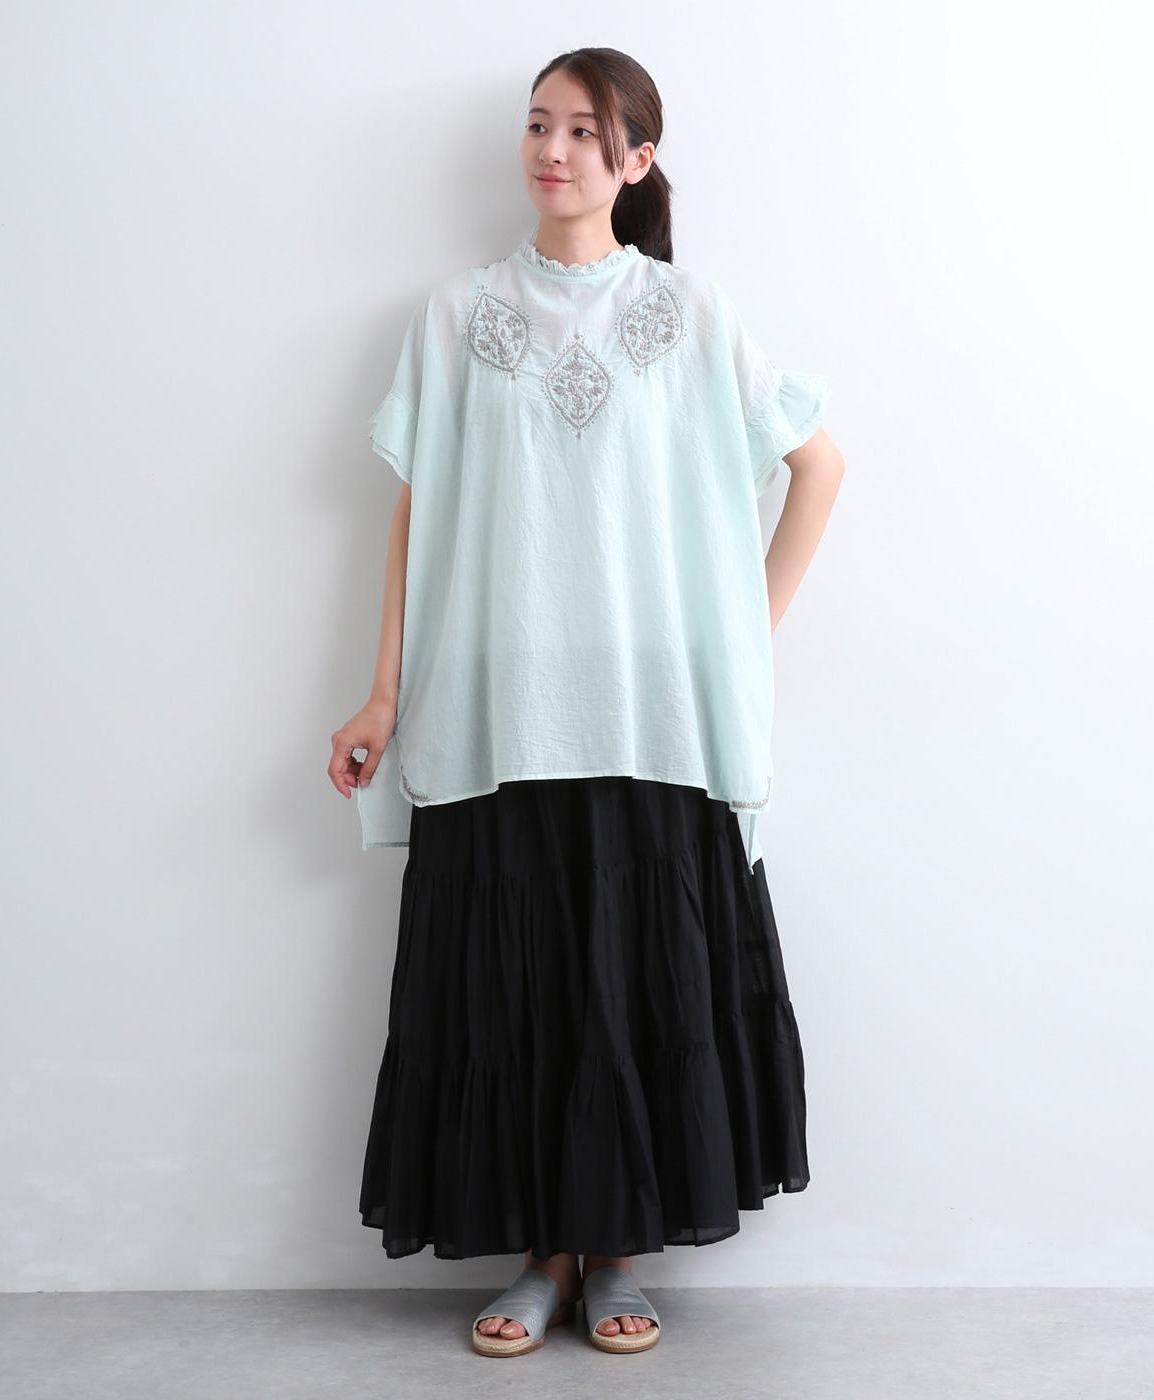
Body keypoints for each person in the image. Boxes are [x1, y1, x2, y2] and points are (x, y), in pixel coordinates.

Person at [329, 47, 846, 1358]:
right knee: (519, 991)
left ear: (636, 158)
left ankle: (614, 1258)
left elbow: (819, 467)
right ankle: (541, 1260)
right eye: (537, 126)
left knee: (626, 984)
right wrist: (382, 694)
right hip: (496, 712)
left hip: (647, 719)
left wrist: (738, 643)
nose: (551, 151)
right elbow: (416, 513)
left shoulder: (693, 312)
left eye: (580, 130)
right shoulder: (456, 315)